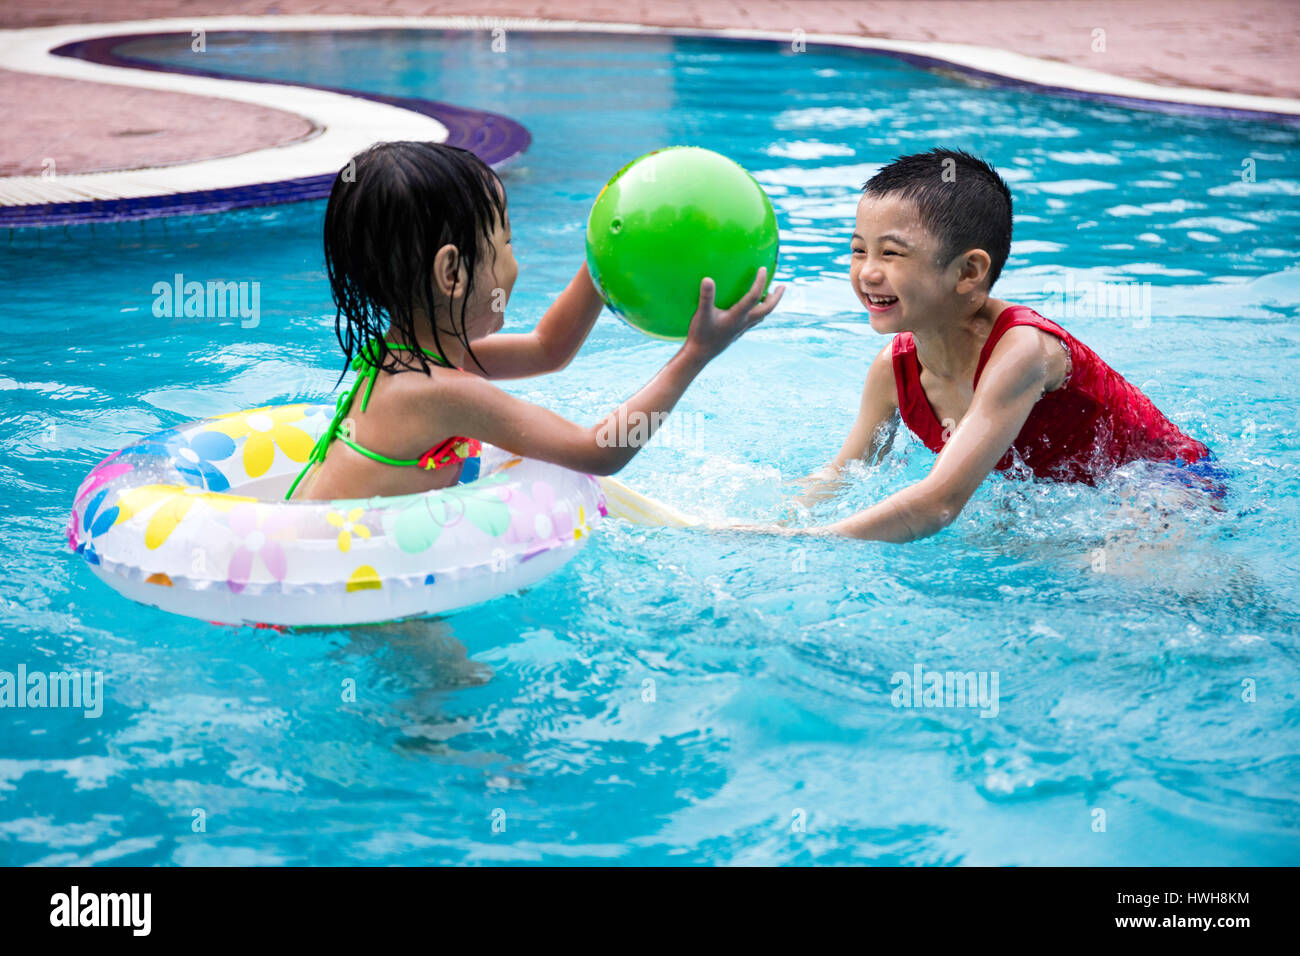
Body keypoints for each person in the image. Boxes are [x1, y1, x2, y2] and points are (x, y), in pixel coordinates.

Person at [287, 141, 782, 501]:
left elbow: (549, 348)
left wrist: (608, 256)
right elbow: (598, 451)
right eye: (506, 243)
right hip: (343, 591)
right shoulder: (441, 392)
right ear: (452, 273)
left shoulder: (408, 359)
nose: (513, 262)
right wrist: (696, 353)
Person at [782, 148, 1222, 542]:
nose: (867, 273)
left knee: (1114, 577)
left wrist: (812, 541)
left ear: (968, 272)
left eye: (891, 254)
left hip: (1170, 486)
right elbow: (843, 475)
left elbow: (939, 503)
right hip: (1080, 501)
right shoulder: (893, 371)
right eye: (859, 251)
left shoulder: (1022, 351)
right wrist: (776, 522)